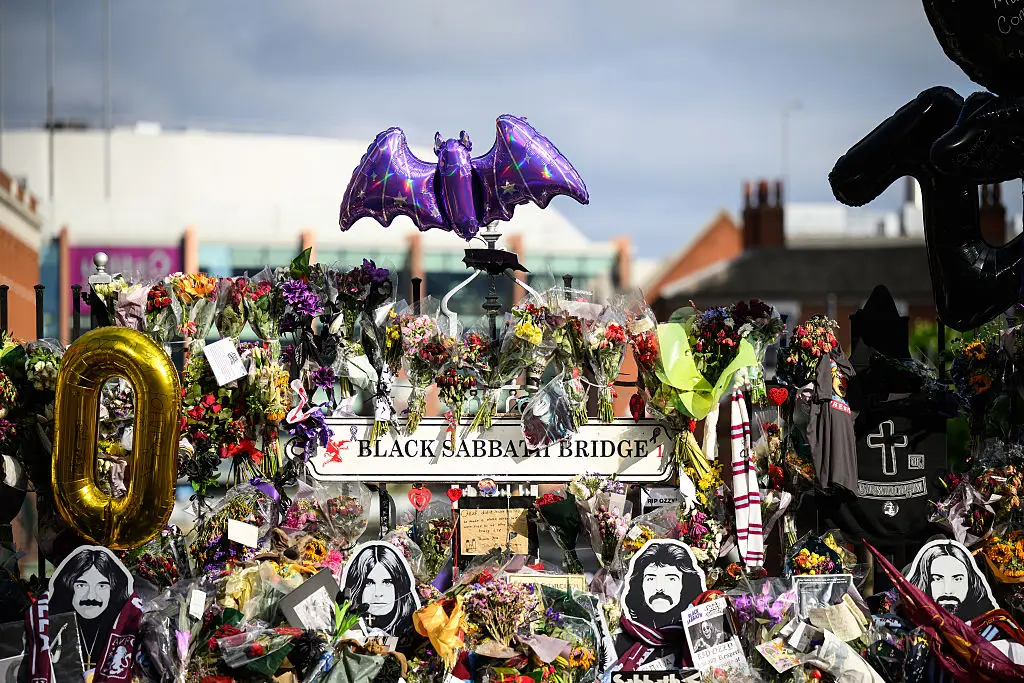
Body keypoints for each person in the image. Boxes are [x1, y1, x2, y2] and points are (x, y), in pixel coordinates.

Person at [49, 547, 133, 669]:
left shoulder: (123, 629)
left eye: (102, 586)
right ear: (68, 587)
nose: (91, 596)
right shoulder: (53, 628)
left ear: (113, 590)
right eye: (82, 585)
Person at [622, 541, 706, 629]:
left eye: (671, 579)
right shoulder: (631, 626)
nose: (659, 588)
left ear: (685, 585)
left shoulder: (697, 629)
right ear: (640, 584)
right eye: (651, 578)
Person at [906, 540, 996, 622]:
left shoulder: (986, 621)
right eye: (938, 579)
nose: (948, 591)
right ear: (925, 582)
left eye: (957, 579)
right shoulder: (912, 618)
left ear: (971, 581)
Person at [341, 543, 419, 636]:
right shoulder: (344, 624)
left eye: (387, 582)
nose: (378, 593)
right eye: (369, 583)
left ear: (400, 586)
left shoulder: (409, 630)